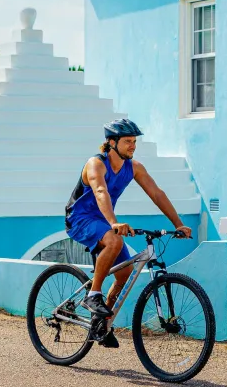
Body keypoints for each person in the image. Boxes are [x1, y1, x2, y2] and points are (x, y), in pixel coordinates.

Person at [65, 118, 192, 345]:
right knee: (114, 241)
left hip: (104, 222)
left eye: (134, 141)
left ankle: (100, 324)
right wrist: (114, 222)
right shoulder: (96, 164)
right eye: (127, 141)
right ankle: (93, 296)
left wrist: (178, 224)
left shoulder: (133, 167)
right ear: (111, 142)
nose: (133, 146)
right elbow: (101, 191)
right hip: (80, 218)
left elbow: (157, 194)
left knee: (124, 273)